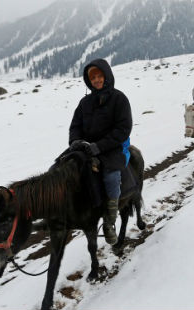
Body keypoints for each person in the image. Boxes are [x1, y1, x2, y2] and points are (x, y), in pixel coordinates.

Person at [68, 59, 132, 245]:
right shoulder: (85, 102)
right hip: (85, 146)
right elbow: (75, 125)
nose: (96, 80)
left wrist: (99, 146)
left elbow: (123, 129)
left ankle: (109, 222)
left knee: (111, 176)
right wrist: (75, 141)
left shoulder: (119, 99)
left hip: (110, 148)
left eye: (99, 76)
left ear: (107, 76)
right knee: (62, 165)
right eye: (93, 77)